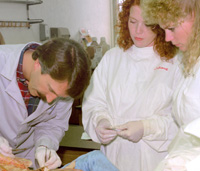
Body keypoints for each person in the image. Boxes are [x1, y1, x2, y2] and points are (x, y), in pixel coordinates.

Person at [0, 38, 91, 169]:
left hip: (29, 159)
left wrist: (45, 146)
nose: (51, 100)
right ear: (38, 64)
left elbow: (53, 124)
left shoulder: (63, 86)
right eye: (50, 89)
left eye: (58, 96)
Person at [81, 0, 181, 170]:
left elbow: (184, 122)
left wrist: (145, 127)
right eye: (133, 22)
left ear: (161, 25)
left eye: (147, 24)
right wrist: (100, 121)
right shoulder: (113, 58)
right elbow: (94, 102)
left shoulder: (176, 63)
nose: (138, 30)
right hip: (112, 158)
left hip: (155, 161)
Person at [141, 0, 200, 170]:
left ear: (194, 17)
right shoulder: (190, 60)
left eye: (172, 28)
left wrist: (189, 165)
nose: (167, 38)